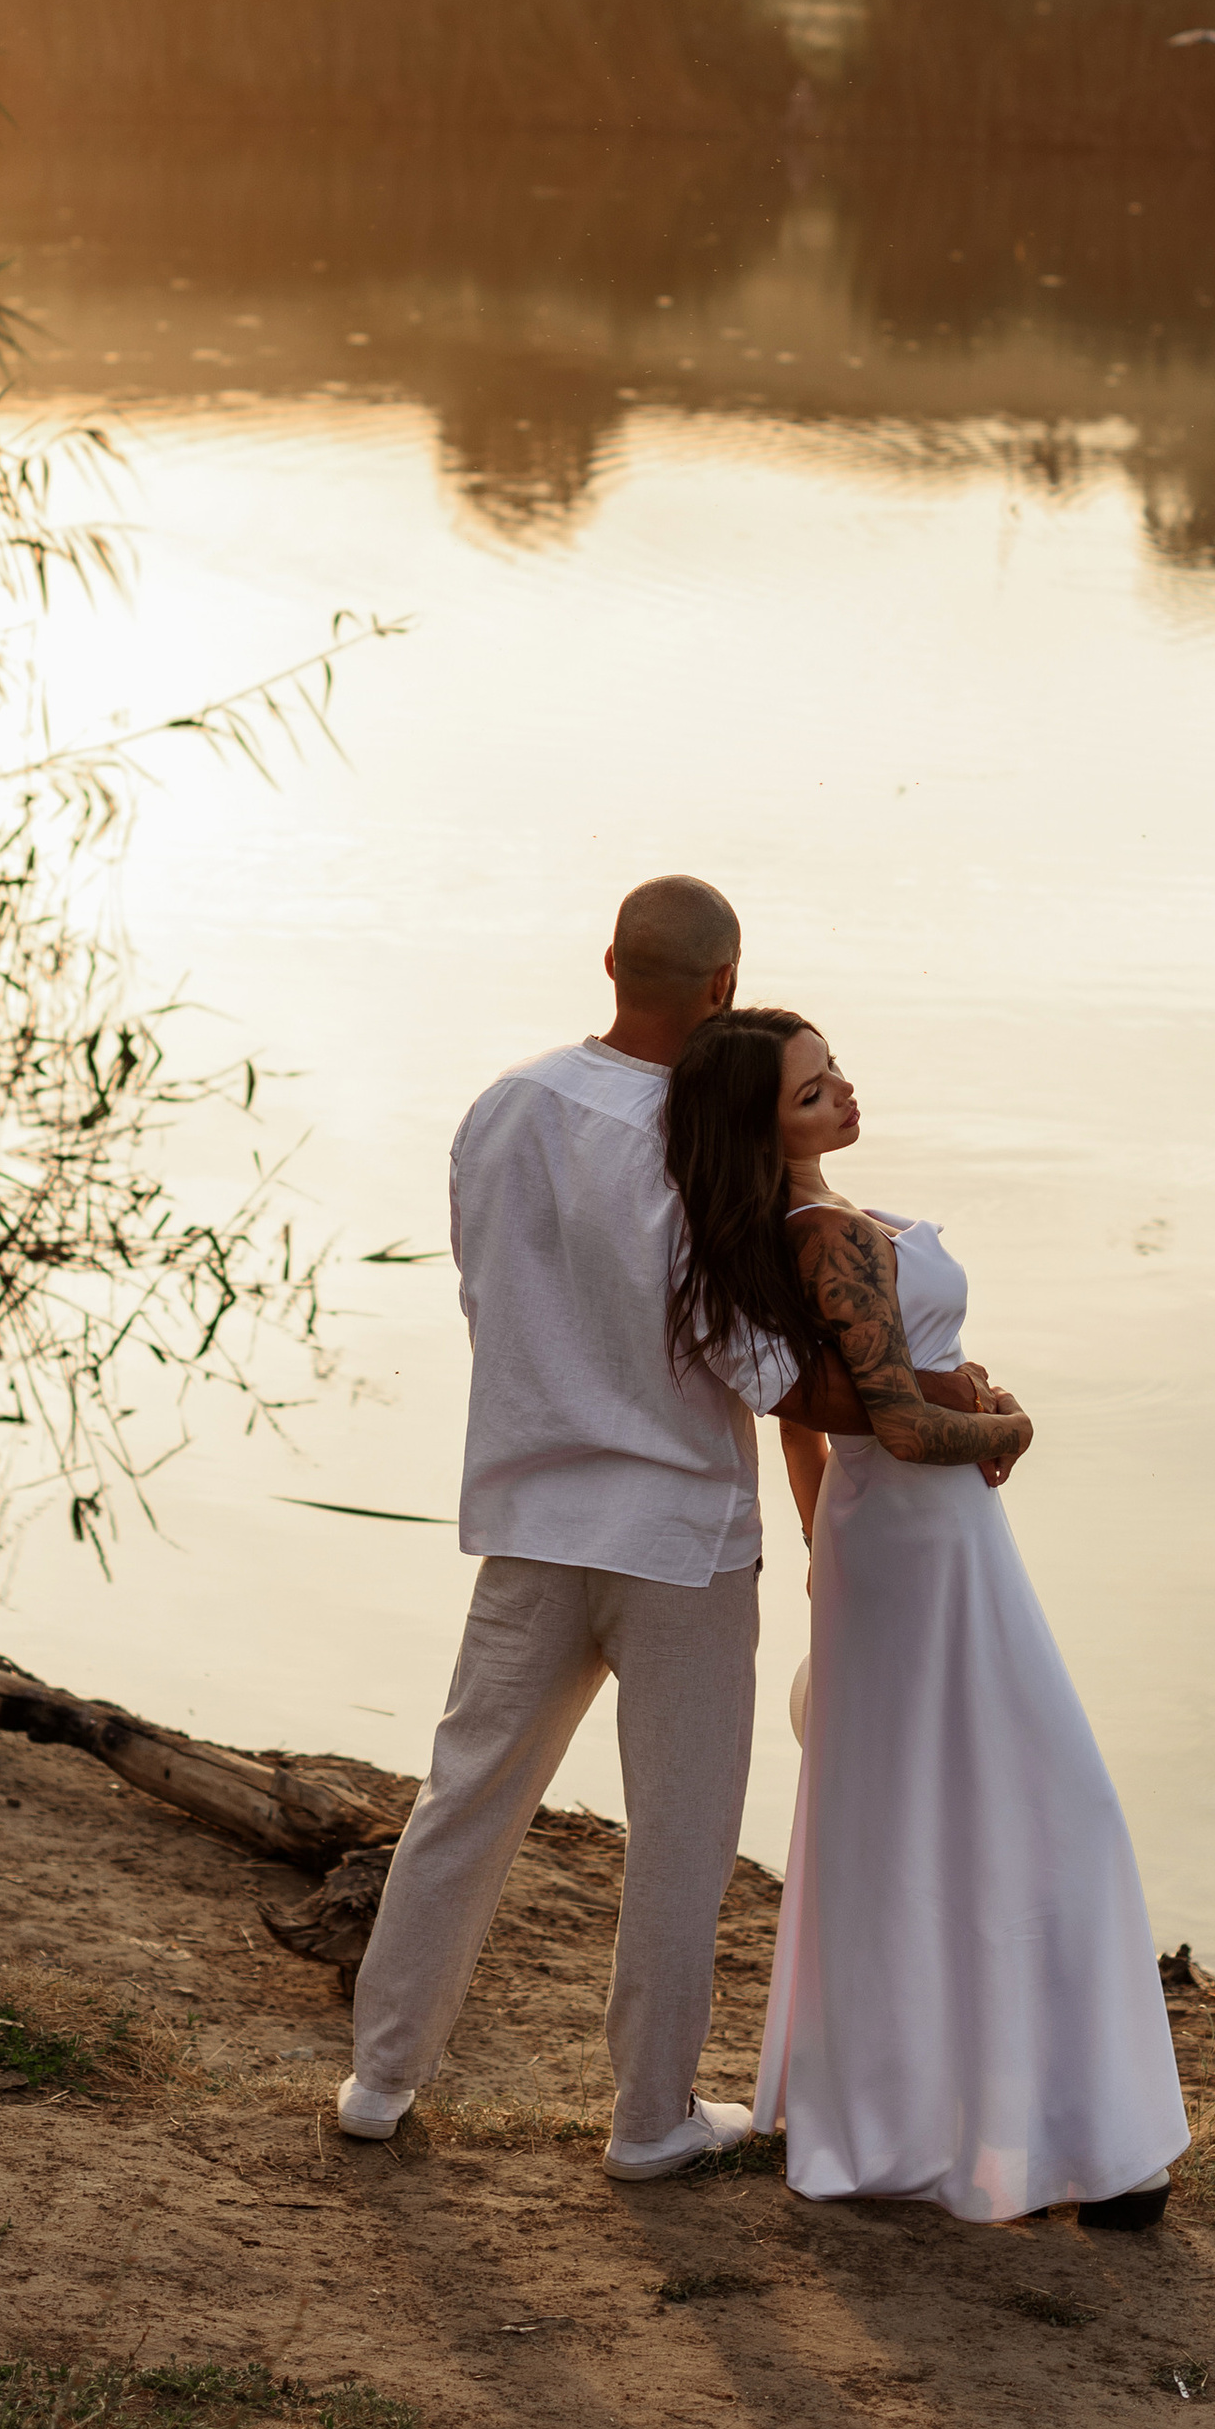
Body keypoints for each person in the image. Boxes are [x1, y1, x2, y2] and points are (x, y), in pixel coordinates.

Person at [665, 1005, 1188, 2229]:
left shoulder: (834, 1220)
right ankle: (1051, 2142)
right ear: (761, 1130)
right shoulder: (821, 1236)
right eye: (810, 1093)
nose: (841, 1093)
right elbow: (894, 1422)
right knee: (1048, 1802)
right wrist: (1009, 1426)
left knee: (938, 1808)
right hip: (914, 1540)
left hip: (911, 1545)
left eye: (833, 1071)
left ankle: (1024, 2128)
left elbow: (820, 1416)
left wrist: (820, 1549)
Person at [336, 875, 765, 2177]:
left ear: (608, 963)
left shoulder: (505, 1106)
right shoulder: (715, 1136)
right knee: (679, 1833)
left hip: (534, 1507)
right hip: (682, 1529)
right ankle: (649, 2119)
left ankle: (380, 2075)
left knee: (465, 1797)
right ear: (724, 990)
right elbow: (748, 1355)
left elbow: (487, 1294)